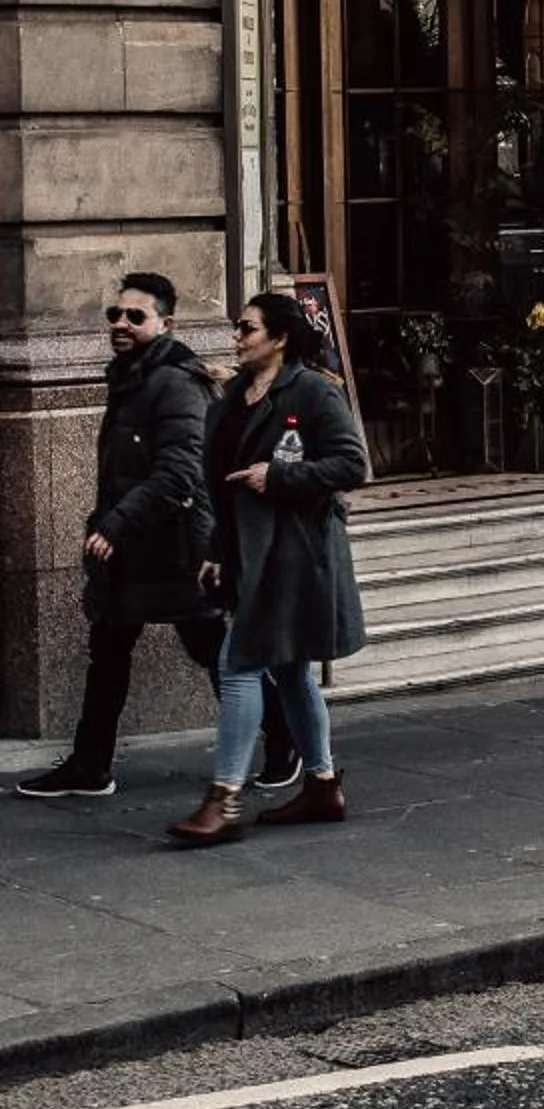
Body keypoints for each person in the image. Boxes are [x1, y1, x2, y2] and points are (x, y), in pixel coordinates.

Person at [15, 273, 297, 802]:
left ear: (165, 323)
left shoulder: (173, 382)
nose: (120, 324)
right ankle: (91, 764)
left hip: (176, 548)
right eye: (115, 315)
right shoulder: (133, 376)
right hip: (137, 548)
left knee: (211, 648)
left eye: (135, 316)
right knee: (111, 647)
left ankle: (287, 738)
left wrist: (116, 522)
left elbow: (180, 471)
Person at [167, 291, 369, 847]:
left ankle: (224, 798)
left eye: (248, 328)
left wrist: (278, 477)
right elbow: (218, 483)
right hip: (249, 553)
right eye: (237, 327)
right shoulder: (234, 395)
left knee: (239, 665)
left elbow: (353, 464)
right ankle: (323, 786)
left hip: (295, 556)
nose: (237, 336)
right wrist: (214, 548)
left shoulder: (311, 392)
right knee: (289, 671)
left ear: (279, 338)